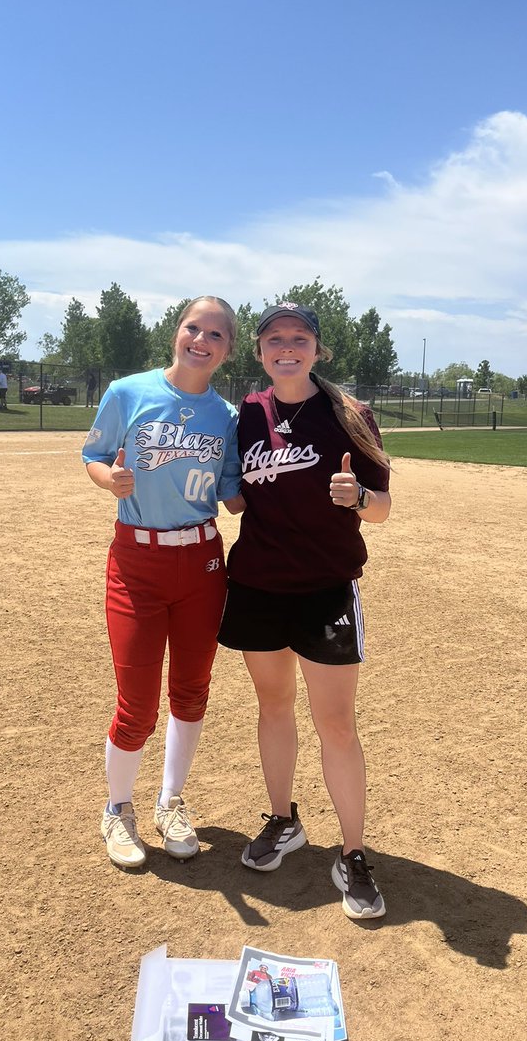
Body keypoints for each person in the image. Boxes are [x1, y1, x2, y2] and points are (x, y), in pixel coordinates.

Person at [217, 303, 392, 920]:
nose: (286, 347)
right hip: (259, 585)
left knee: (336, 724)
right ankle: (283, 820)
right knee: (273, 706)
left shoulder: (349, 415)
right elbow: (237, 501)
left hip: (325, 588)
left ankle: (352, 852)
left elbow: (382, 509)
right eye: (274, 339)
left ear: (317, 349)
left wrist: (359, 495)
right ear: (259, 351)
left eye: (299, 338)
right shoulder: (247, 416)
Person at [82, 296, 242, 869]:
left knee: (192, 691)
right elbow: (93, 453)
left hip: (201, 564)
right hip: (137, 563)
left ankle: (171, 801)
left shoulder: (226, 416)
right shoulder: (129, 392)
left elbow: (232, 493)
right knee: (137, 704)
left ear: (227, 350)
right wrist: (110, 479)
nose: (201, 340)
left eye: (215, 335)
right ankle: (117, 809)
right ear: (175, 333)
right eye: (192, 328)